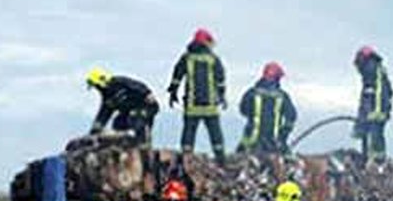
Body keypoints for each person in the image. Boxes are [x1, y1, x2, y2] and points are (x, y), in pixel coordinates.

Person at [168, 28, 227, 164]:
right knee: (215, 134)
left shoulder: (187, 58)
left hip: (192, 104)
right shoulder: (213, 59)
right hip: (210, 106)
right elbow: (220, 79)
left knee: (189, 133)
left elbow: (177, 75)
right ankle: (221, 160)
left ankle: (185, 160)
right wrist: (222, 96)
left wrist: (173, 92)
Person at [86, 67, 159, 145]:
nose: (98, 89)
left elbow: (139, 86)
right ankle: (126, 143)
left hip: (146, 106)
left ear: (102, 80)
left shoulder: (120, 82)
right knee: (118, 122)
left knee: (135, 117)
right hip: (129, 111)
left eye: (97, 85)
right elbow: (104, 114)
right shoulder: (108, 97)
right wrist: (95, 130)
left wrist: (147, 94)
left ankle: (141, 143)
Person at [237, 62, 297, 155]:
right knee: (289, 163)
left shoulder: (251, 93)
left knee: (236, 162)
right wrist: (283, 136)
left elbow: (243, 110)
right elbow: (291, 117)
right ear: (277, 78)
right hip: (274, 143)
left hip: (251, 141)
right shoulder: (282, 96)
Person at [353, 45, 393, 162]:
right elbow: (365, 97)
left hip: (377, 112)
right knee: (366, 134)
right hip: (371, 111)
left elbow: (381, 93)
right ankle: (367, 159)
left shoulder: (374, 70)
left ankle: (378, 163)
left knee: (376, 135)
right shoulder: (368, 75)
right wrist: (360, 120)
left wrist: (378, 112)